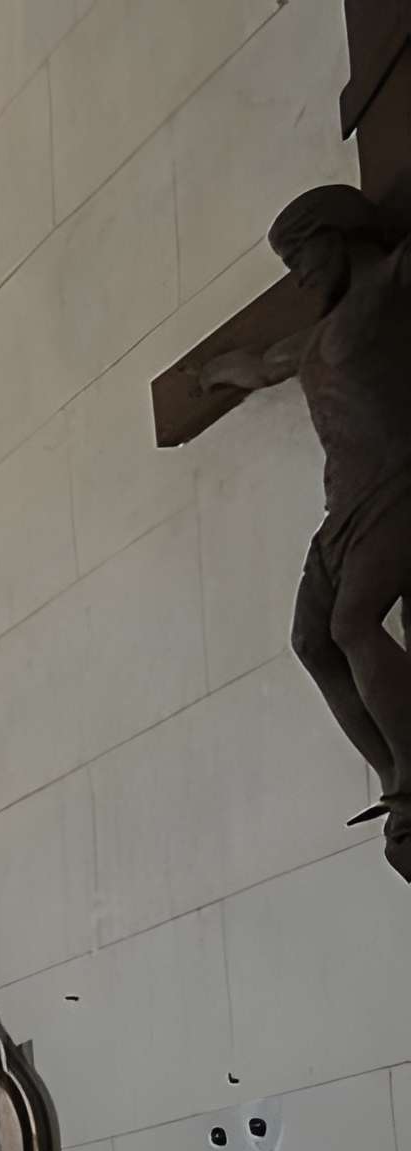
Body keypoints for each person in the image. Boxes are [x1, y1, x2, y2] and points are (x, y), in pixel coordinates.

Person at [205, 185, 411, 882]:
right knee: (310, 640)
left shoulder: (390, 284)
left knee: (356, 624)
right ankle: (392, 773)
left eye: (301, 254)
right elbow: (263, 365)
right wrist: (211, 372)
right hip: (343, 511)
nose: (298, 275)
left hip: (396, 488)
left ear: (340, 235)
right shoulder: (315, 336)